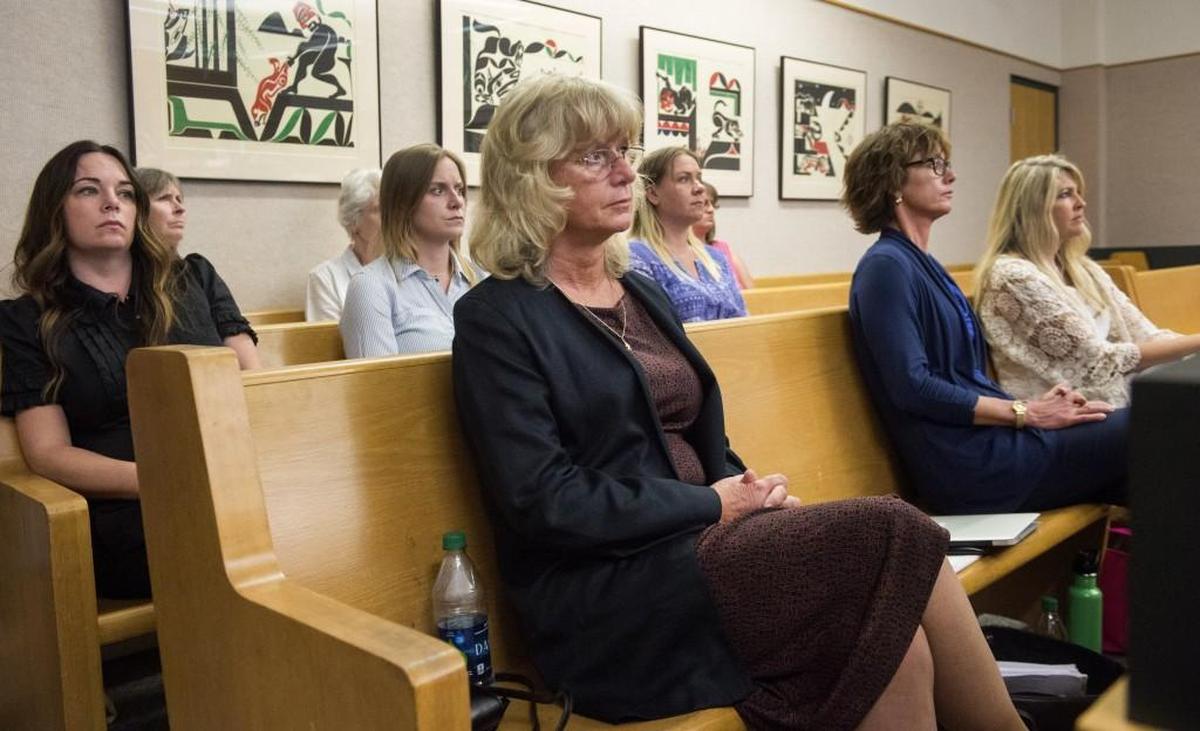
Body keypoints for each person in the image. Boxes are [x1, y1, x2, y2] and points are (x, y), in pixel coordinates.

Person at [452, 75, 1023, 730]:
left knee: (898, 648)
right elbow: (543, 499)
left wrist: (754, 495)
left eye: (625, 151)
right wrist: (714, 505)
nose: (626, 171)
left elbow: (702, 440)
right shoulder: (498, 318)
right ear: (531, 178)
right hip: (613, 595)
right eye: (594, 156)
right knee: (894, 526)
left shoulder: (640, 293)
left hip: (707, 551)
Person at [1, 141, 259, 599]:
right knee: (250, 544)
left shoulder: (194, 279)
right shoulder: (27, 320)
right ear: (54, 209)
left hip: (234, 479)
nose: (111, 203)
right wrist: (162, 481)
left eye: (124, 192)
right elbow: (49, 453)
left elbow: (254, 384)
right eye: (88, 190)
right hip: (131, 509)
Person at [844, 123, 1127, 514]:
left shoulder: (921, 263)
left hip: (992, 445)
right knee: (1158, 427)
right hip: (970, 465)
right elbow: (912, 386)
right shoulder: (886, 267)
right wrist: (1025, 413)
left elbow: (962, 377)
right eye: (934, 164)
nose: (950, 175)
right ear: (893, 182)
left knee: (1152, 465)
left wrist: (1028, 405)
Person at [975, 154, 1200, 408]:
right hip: (1062, 412)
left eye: (1078, 193)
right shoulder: (1012, 276)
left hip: (1114, 401)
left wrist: (1193, 350)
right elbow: (1095, 364)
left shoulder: (1084, 269)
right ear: (1032, 208)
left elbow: (1147, 336)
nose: (1081, 203)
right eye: (1065, 195)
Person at [339, 144, 481, 357]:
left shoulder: (481, 277)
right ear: (403, 203)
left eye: (459, 190)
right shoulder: (371, 287)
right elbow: (379, 378)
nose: (457, 202)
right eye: (438, 190)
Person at [627, 147, 746, 322]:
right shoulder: (636, 257)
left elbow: (744, 322)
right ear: (653, 193)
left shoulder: (716, 258)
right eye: (684, 179)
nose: (699, 188)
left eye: (699, 178)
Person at [306, 168, 384, 321]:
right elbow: (328, 336)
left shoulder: (408, 270)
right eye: (379, 209)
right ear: (354, 220)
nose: (391, 217)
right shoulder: (325, 279)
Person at [692, 181, 753, 289]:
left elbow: (751, 290)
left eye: (712, 204)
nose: (711, 210)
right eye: (704, 204)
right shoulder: (682, 253)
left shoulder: (723, 247)